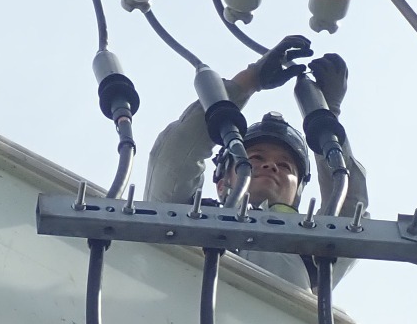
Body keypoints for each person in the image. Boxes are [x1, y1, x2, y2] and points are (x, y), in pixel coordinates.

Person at [145, 35, 366, 290]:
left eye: (285, 166)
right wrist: (249, 80)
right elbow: (173, 158)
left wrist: (327, 118)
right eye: (255, 158)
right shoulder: (186, 222)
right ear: (222, 182)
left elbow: (350, 207)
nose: (271, 166)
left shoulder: (313, 253)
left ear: (298, 194)